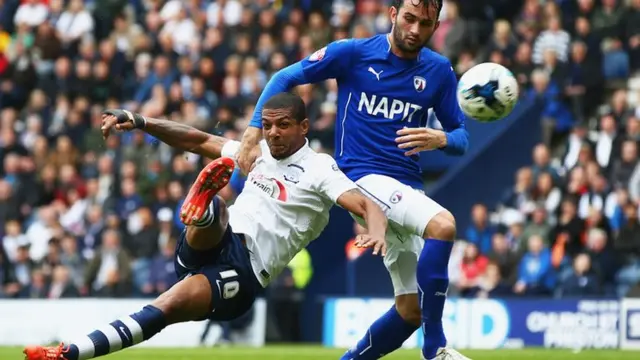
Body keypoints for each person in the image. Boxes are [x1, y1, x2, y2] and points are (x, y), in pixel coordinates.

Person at [23, 92, 388, 360]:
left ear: (304, 126)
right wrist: (141, 120)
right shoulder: (256, 153)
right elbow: (197, 139)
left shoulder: (320, 169)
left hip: (244, 270)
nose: (273, 133)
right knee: (219, 208)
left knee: (165, 306)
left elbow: (366, 203)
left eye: (284, 125)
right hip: (212, 241)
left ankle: (69, 353)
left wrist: (376, 231)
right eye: (269, 125)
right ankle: (203, 209)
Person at [237, 1, 470, 359]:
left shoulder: (438, 71)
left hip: (406, 188)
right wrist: (253, 135)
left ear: (436, 25)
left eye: (425, 24)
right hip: (362, 180)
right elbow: (283, 78)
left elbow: (461, 138)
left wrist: (441, 138)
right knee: (443, 225)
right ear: (393, 14)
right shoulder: (353, 53)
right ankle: (436, 348)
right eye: (408, 19)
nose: (414, 30)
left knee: (409, 312)